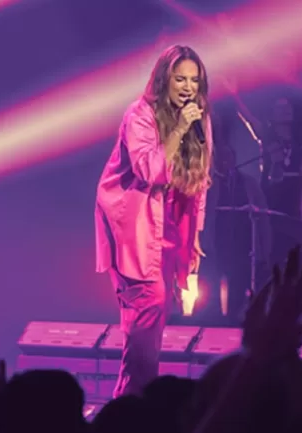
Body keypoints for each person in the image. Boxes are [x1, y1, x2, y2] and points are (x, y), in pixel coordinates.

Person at [94, 45, 212, 398]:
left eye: (194, 80)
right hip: (134, 229)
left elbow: (200, 183)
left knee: (153, 319)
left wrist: (194, 241)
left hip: (169, 229)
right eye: (180, 79)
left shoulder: (200, 118)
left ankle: (132, 403)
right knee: (147, 311)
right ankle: (133, 404)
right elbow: (149, 170)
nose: (188, 88)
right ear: (164, 79)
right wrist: (180, 127)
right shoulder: (140, 115)